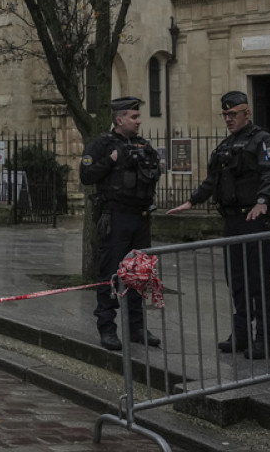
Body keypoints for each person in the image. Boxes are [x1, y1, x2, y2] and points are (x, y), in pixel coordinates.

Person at [168, 91, 270, 360]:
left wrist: (263, 200)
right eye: (225, 114)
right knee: (237, 281)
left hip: (256, 219)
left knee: (258, 281)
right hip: (233, 220)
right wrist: (192, 201)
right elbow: (213, 180)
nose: (228, 119)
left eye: (233, 114)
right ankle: (241, 334)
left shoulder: (263, 141)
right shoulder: (225, 145)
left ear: (247, 112)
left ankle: (264, 339)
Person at [80, 96, 163, 352]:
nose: (139, 122)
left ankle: (137, 328)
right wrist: (111, 161)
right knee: (111, 275)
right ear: (119, 119)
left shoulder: (142, 145)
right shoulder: (102, 145)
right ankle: (107, 327)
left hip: (140, 218)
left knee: (139, 274)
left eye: (138, 117)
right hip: (115, 218)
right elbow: (86, 175)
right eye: (134, 117)